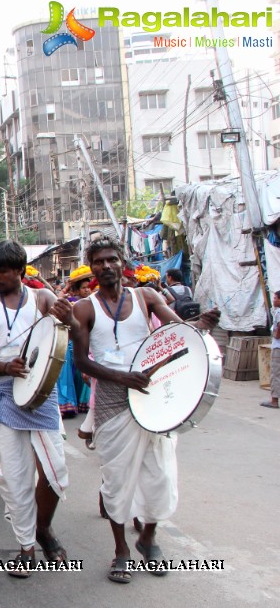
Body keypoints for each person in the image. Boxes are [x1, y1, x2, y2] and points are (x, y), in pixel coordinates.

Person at [72, 238, 219, 583]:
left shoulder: (147, 297)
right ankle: (121, 550)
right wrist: (122, 377)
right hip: (112, 398)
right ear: (91, 266)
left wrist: (204, 325)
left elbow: (178, 332)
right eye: (99, 261)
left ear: (123, 263)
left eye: (112, 259)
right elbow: (82, 362)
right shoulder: (84, 308)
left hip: (153, 396)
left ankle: (149, 539)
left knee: (161, 476)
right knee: (117, 478)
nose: (106, 266)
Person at [0, 240, 75, 577]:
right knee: (14, 477)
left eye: (2, 271)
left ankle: (44, 528)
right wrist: (5, 368)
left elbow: (56, 342)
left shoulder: (42, 298)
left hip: (41, 394)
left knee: (55, 472)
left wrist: (67, 319)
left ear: (20, 271)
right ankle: (26, 547)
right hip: (3, 396)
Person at [57, 265, 94, 418]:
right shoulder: (71, 303)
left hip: (90, 342)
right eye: (83, 288)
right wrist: (65, 288)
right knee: (71, 375)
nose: (87, 290)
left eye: (88, 287)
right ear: (77, 291)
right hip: (71, 342)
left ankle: (84, 402)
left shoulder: (94, 303)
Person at [264, 290, 280, 409]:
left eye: (275, 298)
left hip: (278, 347)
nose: (273, 300)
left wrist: (276, 335)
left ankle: (274, 400)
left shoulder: (279, 312)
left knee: (275, 373)